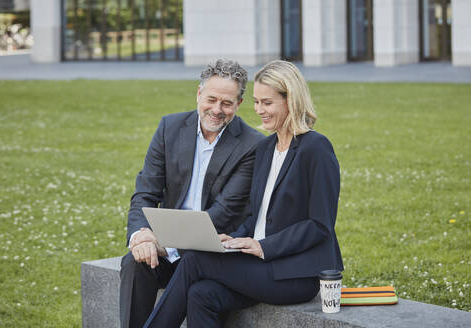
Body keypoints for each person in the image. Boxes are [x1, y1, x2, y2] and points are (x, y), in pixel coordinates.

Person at [143, 60, 344, 328]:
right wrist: (233, 239)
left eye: (268, 103)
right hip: (258, 264)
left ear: (291, 100)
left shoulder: (315, 148)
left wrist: (264, 246)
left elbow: (320, 225)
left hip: (295, 273)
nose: (259, 110)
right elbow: (256, 216)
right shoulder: (265, 149)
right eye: (257, 102)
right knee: (201, 294)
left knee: (193, 261)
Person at [120, 58, 265, 328]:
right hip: (166, 250)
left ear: (239, 105)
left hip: (209, 256)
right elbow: (145, 193)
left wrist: (166, 241)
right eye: (211, 99)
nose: (216, 110)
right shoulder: (169, 128)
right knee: (135, 262)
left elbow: (223, 213)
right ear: (198, 94)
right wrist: (141, 236)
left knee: (193, 279)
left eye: (227, 103)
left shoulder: (252, 145)